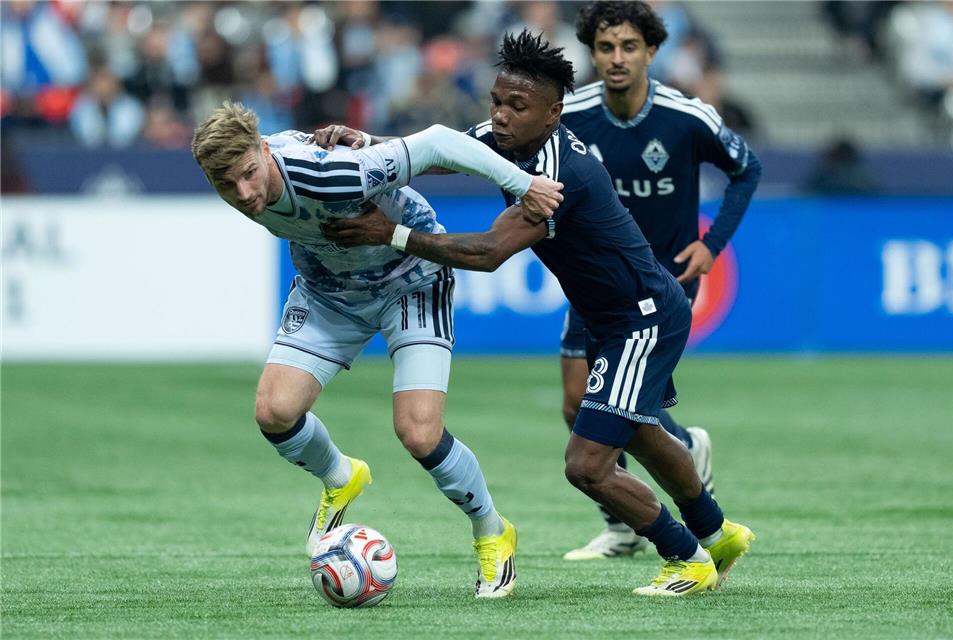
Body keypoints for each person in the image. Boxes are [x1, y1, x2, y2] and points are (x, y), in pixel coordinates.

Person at [325, 30, 755, 597]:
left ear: (553, 114)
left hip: (641, 317)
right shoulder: (509, 138)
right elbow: (441, 152)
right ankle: (718, 534)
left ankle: (687, 558)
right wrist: (366, 142)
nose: (500, 116)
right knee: (642, 434)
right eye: (496, 102)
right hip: (613, 316)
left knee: (587, 466)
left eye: (517, 106)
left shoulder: (558, 176)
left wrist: (392, 233)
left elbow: (487, 253)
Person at [190, 101, 563, 599]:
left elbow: (437, 141)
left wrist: (524, 184)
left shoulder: (329, 175)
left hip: (411, 280)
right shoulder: (249, 172)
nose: (244, 194)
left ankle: (492, 530)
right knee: (274, 412)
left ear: (263, 150)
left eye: (248, 174)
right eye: (226, 185)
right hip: (330, 293)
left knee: (419, 433)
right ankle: (340, 476)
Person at [557, 0, 761, 560]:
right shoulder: (571, 115)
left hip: (660, 284)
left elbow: (747, 168)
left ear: (651, 51)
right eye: (605, 47)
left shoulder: (685, 116)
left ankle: (680, 491)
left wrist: (712, 244)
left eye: (629, 46)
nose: (617, 58)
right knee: (577, 403)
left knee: (621, 402)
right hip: (595, 279)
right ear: (592, 52)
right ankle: (633, 512)